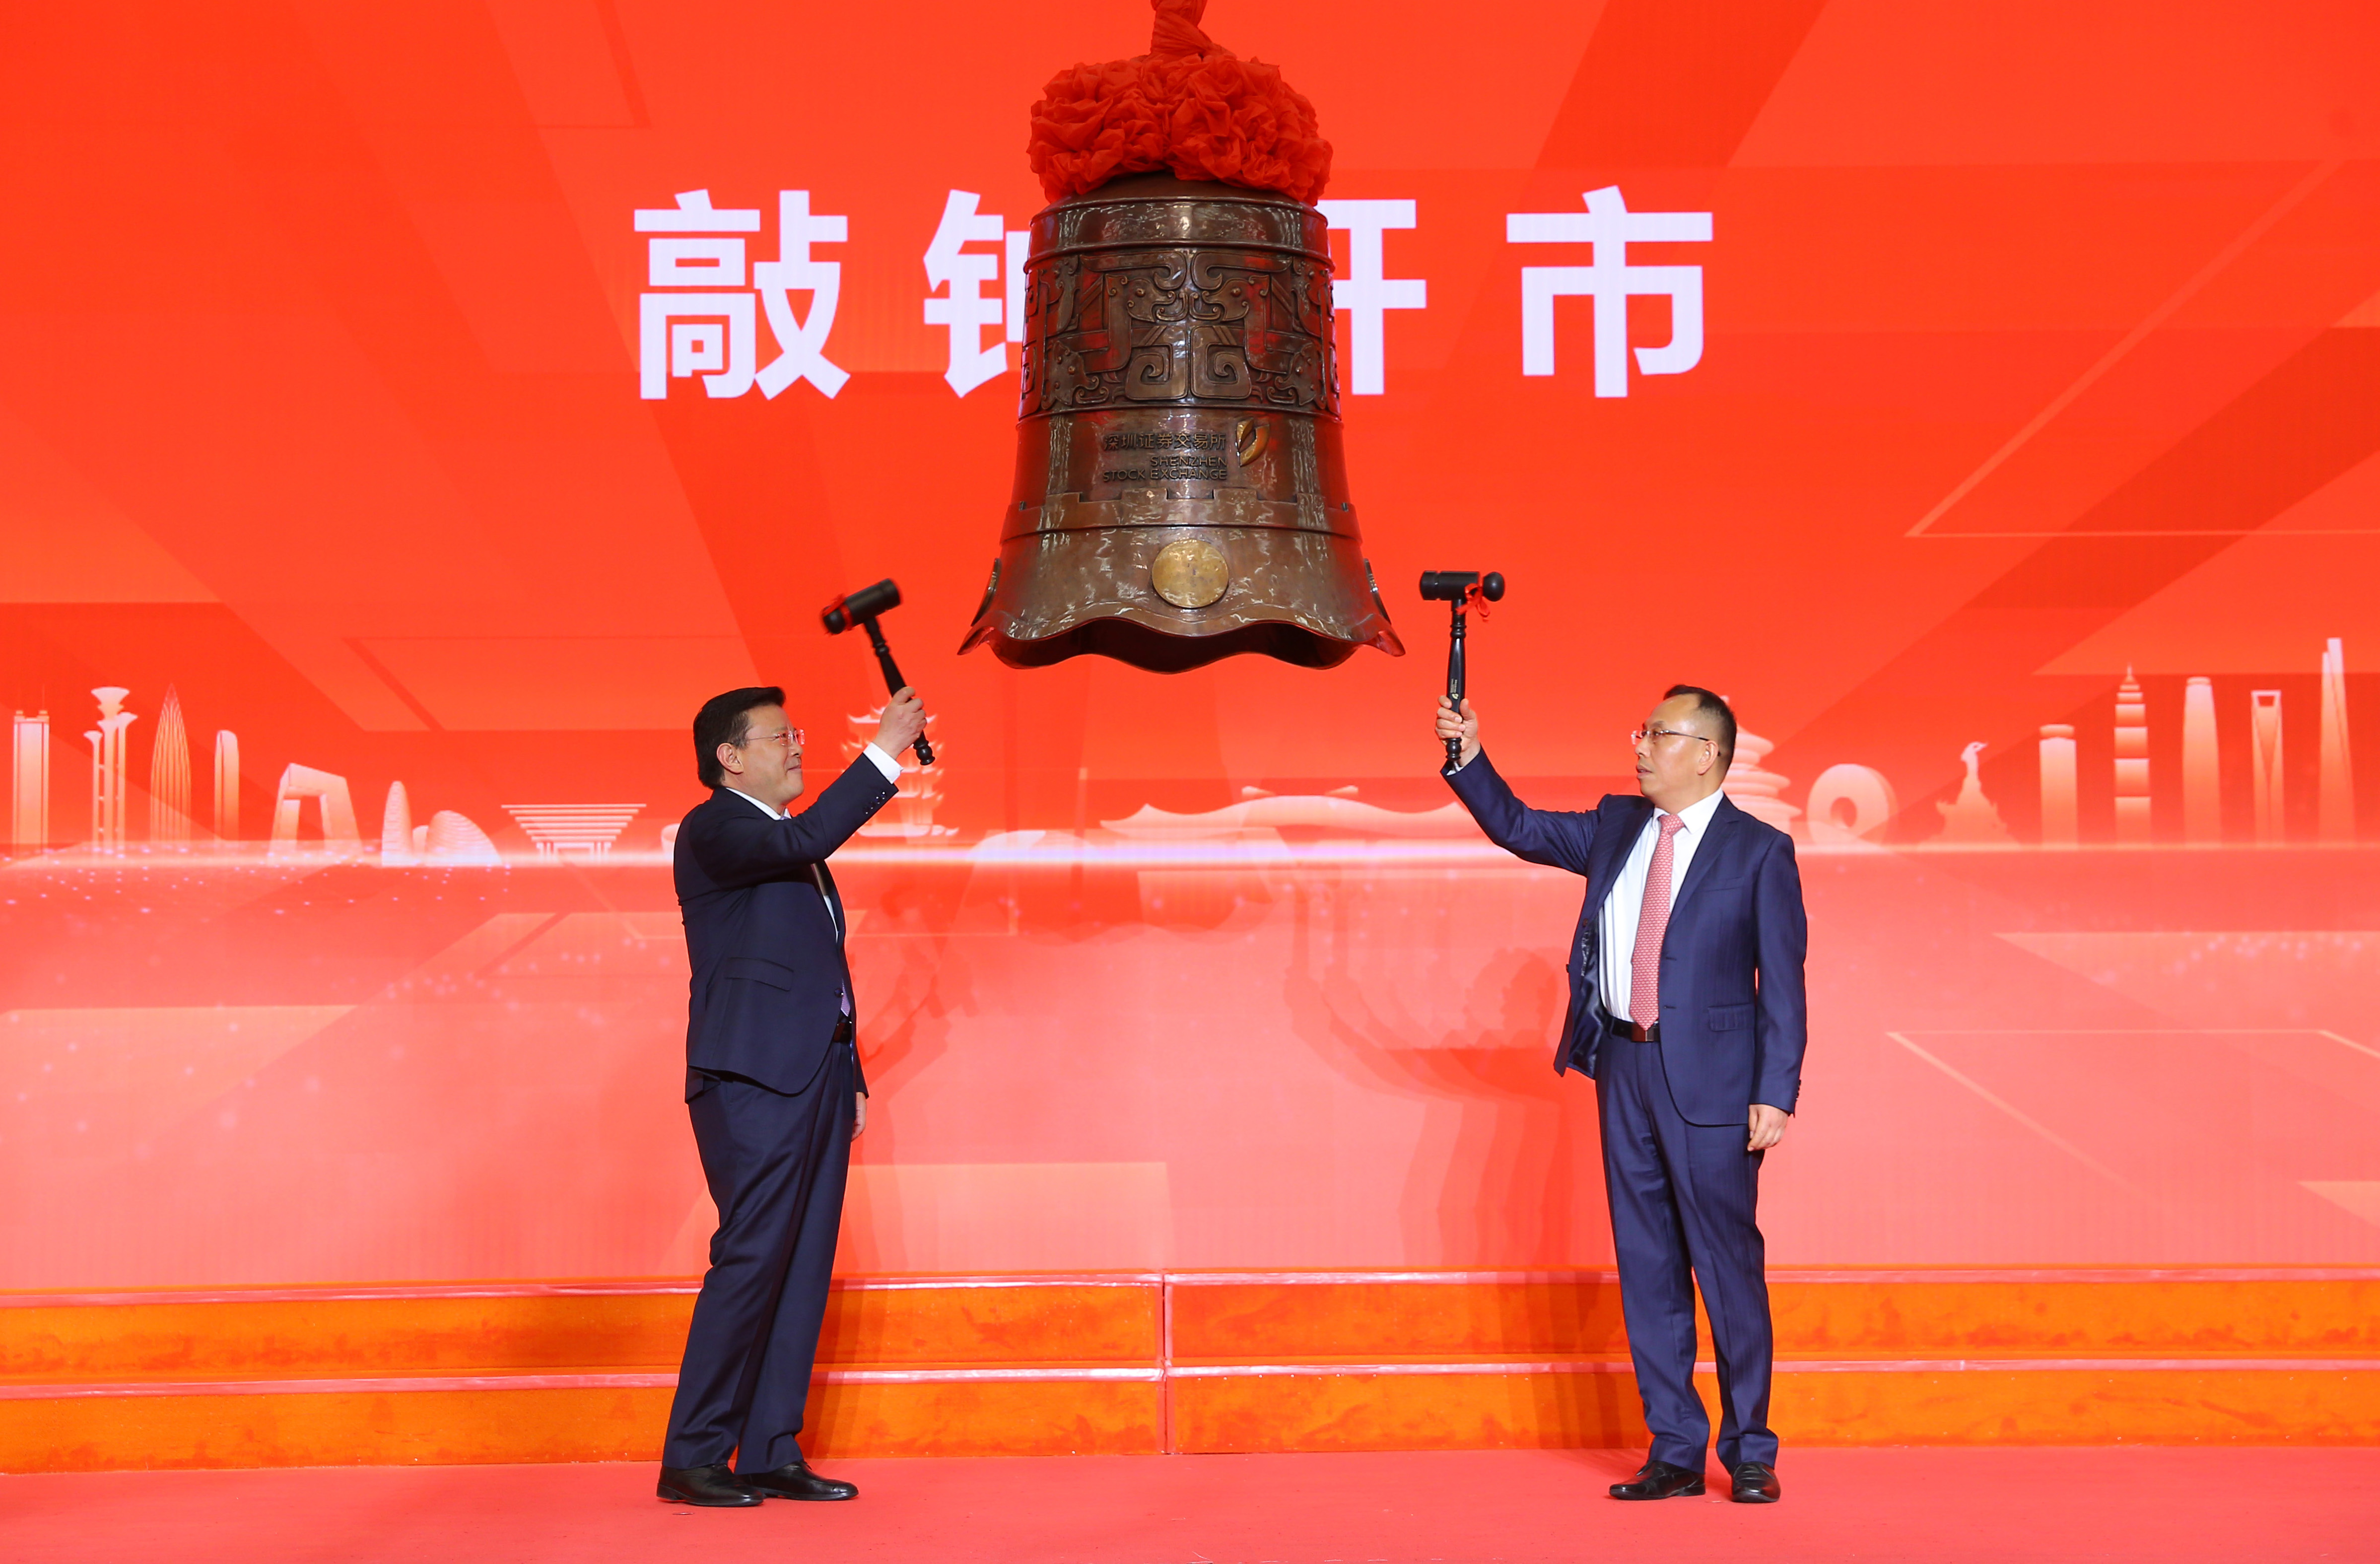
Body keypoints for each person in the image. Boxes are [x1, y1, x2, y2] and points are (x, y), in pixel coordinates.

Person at [1435, 685, 1806, 1505]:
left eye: (1658, 735)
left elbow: (1784, 985)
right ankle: (1674, 1449)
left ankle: (1750, 1449)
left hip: (1714, 1087)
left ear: (1706, 754)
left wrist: (1776, 1091)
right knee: (1648, 1263)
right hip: (1625, 1070)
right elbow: (1519, 827)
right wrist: (1469, 755)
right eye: (1642, 732)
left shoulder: (1759, 852)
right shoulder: (1616, 825)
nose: (1639, 746)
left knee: (1728, 1267)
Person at [656, 683, 928, 1507]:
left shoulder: (785, 845)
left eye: (796, 734)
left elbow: (820, 974)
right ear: (729, 758)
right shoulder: (716, 828)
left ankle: (771, 1447)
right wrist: (885, 750)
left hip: (814, 1077)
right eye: (780, 738)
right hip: (751, 1078)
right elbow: (811, 832)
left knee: (802, 1262)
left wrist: (850, 1073)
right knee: (751, 1257)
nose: (797, 747)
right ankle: (694, 1455)